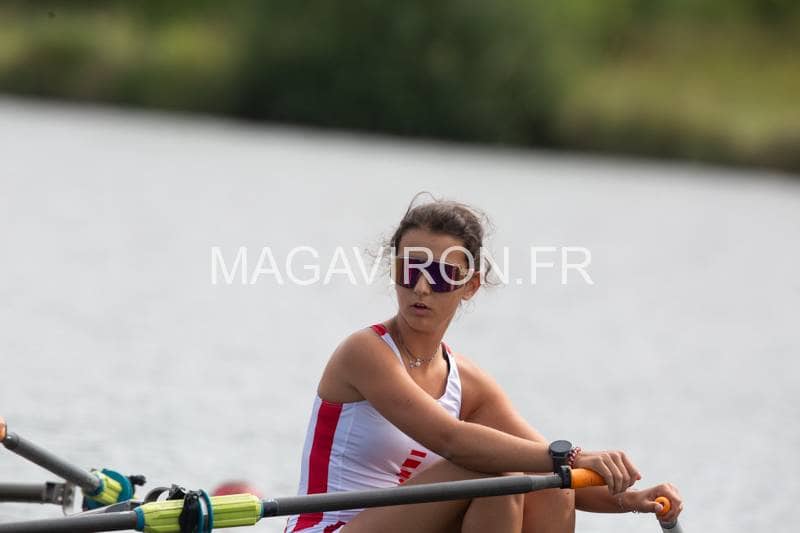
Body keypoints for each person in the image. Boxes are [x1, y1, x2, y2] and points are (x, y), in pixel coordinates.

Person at [285, 196, 683, 533]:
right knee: (497, 474)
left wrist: (632, 499)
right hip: (330, 528)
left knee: (552, 486)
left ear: (470, 286)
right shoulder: (365, 353)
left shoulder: (467, 382)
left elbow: (550, 468)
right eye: (410, 270)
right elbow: (451, 440)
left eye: (440, 275)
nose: (421, 287)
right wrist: (575, 457)